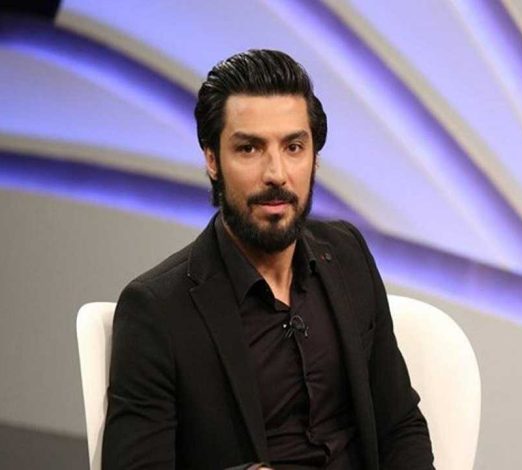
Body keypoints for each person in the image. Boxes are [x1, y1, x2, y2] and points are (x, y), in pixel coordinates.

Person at [102, 49, 434, 470]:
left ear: (314, 157)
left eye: (294, 147)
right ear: (212, 160)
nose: (276, 173)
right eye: (249, 149)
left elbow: (400, 424)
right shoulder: (157, 310)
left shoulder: (347, 255)